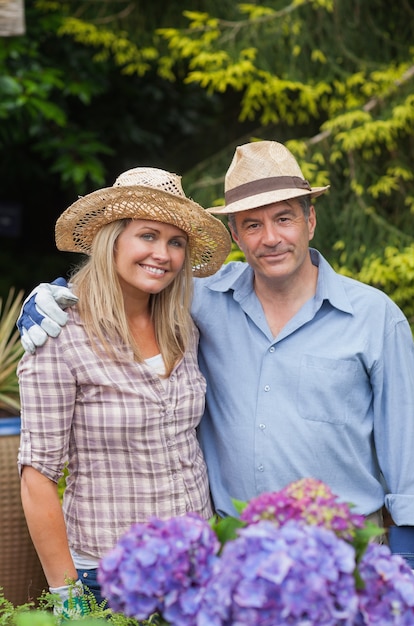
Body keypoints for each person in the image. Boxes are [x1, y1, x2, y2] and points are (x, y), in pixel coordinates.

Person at [17, 141, 414, 570]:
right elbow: (130, 283)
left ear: (310, 221)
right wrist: (52, 295)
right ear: (236, 235)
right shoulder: (199, 301)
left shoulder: (375, 318)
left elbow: (407, 449)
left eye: (284, 218)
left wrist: (407, 559)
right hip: (232, 564)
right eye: (252, 224)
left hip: (346, 558)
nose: (271, 238)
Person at [17, 166, 231, 614]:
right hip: (109, 576)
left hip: (197, 569)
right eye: (148, 236)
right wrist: (67, 595)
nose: (163, 254)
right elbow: (38, 477)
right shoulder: (61, 335)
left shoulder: (183, 327)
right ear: (111, 239)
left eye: (176, 242)